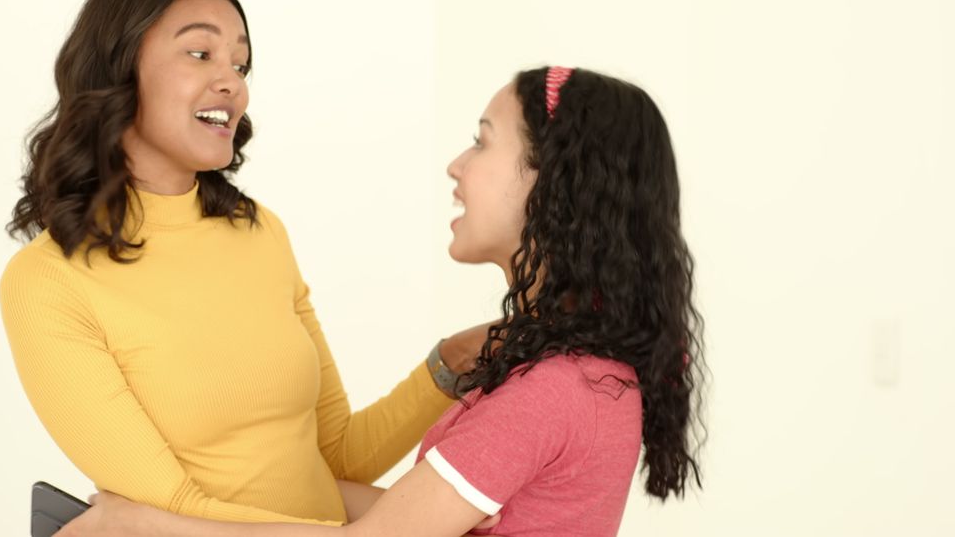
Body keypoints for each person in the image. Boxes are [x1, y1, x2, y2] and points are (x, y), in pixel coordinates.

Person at [58, 66, 707, 537]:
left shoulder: (552, 390)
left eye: (482, 142)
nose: (457, 166)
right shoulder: (581, 371)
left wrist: (142, 525)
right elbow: (407, 515)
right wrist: (258, 478)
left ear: (551, 183)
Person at [0, 0, 486, 527]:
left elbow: (336, 459)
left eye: (240, 63)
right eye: (200, 53)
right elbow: (173, 517)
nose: (232, 82)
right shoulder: (48, 282)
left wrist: (451, 361)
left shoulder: (260, 233)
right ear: (119, 66)